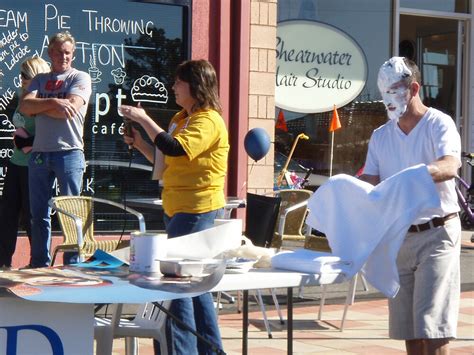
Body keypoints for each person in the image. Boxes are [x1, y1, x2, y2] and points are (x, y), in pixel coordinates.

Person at [120, 59, 229, 355]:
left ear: (196, 86)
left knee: (177, 287)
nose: (173, 87)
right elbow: (165, 160)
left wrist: (143, 118)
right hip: (179, 209)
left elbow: (176, 148)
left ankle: (182, 351)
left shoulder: (208, 120)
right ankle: (211, 349)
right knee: (196, 288)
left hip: (196, 209)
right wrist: (141, 143)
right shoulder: (183, 118)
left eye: (178, 82)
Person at [359, 56, 461, 355]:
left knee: (432, 326)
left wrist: (410, 178)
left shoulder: (438, 123)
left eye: (394, 92)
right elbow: (371, 179)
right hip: (399, 236)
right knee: (407, 327)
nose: (388, 101)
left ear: (413, 88)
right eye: (384, 94)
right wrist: (348, 193)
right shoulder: (381, 136)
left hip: (437, 233)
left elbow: (449, 165)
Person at [19, 31, 92, 268]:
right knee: (38, 213)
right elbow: (24, 106)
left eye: (68, 52)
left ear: (73, 54)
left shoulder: (80, 77)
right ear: (50, 52)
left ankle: (72, 265)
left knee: (71, 213)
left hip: (69, 152)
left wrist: (41, 106)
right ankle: (39, 263)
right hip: (40, 153)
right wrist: (53, 102)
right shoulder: (40, 79)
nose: (64, 56)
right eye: (59, 52)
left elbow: (70, 109)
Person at [0, 57, 50, 269]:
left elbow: (49, 133)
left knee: (33, 215)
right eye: (20, 75)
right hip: (16, 161)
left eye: (25, 75)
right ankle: (3, 263)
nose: (21, 79)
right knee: (6, 214)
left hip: (34, 164)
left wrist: (27, 141)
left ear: (36, 76)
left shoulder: (43, 99)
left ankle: (38, 263)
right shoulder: (22, 96)